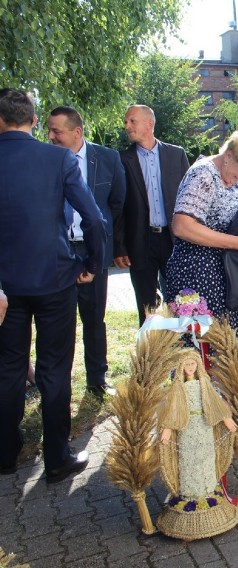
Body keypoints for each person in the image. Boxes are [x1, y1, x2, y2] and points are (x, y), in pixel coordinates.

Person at [0, 88, 106, 483]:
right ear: (31, 119)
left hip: (6, 290)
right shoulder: (59, 157)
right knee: (54, 369)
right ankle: (57, 457)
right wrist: (91, 264)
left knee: (8, 368)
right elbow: (94, 221)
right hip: (55, 281)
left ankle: (6, 454)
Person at [165, 127, 238, 381]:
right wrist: (237, 243)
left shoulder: (229, 178)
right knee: (202, 352)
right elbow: (182, 226)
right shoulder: (203, 176)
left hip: (223, 279)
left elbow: (224, 210)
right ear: (229, 155)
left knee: (230, 353)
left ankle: (230, 408)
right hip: (196, 277)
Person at [46, 106, 127, 399]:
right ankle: (57, 386)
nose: (50, 136)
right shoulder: (47, 160)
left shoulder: (107, 158)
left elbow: (118, 204)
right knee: (59, 322)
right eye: (49, 130)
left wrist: (113, 247)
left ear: (77, 132)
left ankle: (97, 379)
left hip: (93, 248)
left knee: (94, 318)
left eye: (56, 131)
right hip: (60, 252)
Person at [115, 104, 190, 325]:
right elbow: (117, 206)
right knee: (146, 307)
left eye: (132, 121)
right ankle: (151, 354)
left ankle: (184, 354)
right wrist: (119, 246)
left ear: (150, 123)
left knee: (182, 301)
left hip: (174, 240)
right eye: (126, 122)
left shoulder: (176, 155)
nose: (127, 126)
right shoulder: (121, 160)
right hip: (140, 242)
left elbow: (189, 197)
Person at [158, 351, 238, 537]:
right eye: (186, 365)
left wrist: (226, 420)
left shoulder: (205, 385)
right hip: (187, 428)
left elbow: (215, 404)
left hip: (204, 427)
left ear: (198, 365)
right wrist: (168, 429)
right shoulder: (178, 389)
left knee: (206, 459)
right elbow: (173, 410)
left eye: (193, 364)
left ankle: (208, 491)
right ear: (181, 367)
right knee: (188, 460)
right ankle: (190, 494)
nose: (190, 368)